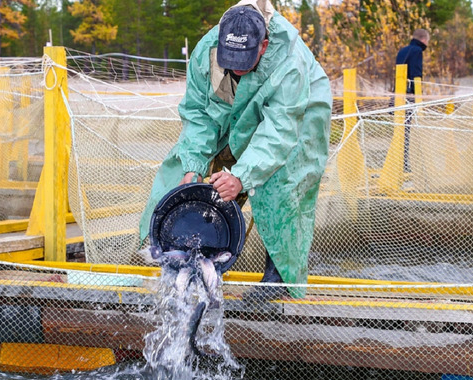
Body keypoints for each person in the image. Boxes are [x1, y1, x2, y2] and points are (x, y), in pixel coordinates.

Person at [139, 0, 332, 301]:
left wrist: (241, 176)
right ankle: (203, 260)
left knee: (283, 183)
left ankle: (278, 277)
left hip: (299, 113)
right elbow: (198, 115)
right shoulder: (206, 52)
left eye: (244, 60)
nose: (236, 67)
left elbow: (278, 131)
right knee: (187, 171)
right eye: (230, 59)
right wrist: (193, 166)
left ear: (264, 46)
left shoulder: (289, 63)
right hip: (238, 109)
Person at [395, 29, 430, 172]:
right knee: (411, 131)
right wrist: (418, 97)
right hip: (409, 97)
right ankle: (406, 164)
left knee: (401, 131)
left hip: (398, 95)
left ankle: (401, 161)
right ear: (423, 40)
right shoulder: (417, 51)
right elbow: (416, 75)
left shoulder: (402, 51)